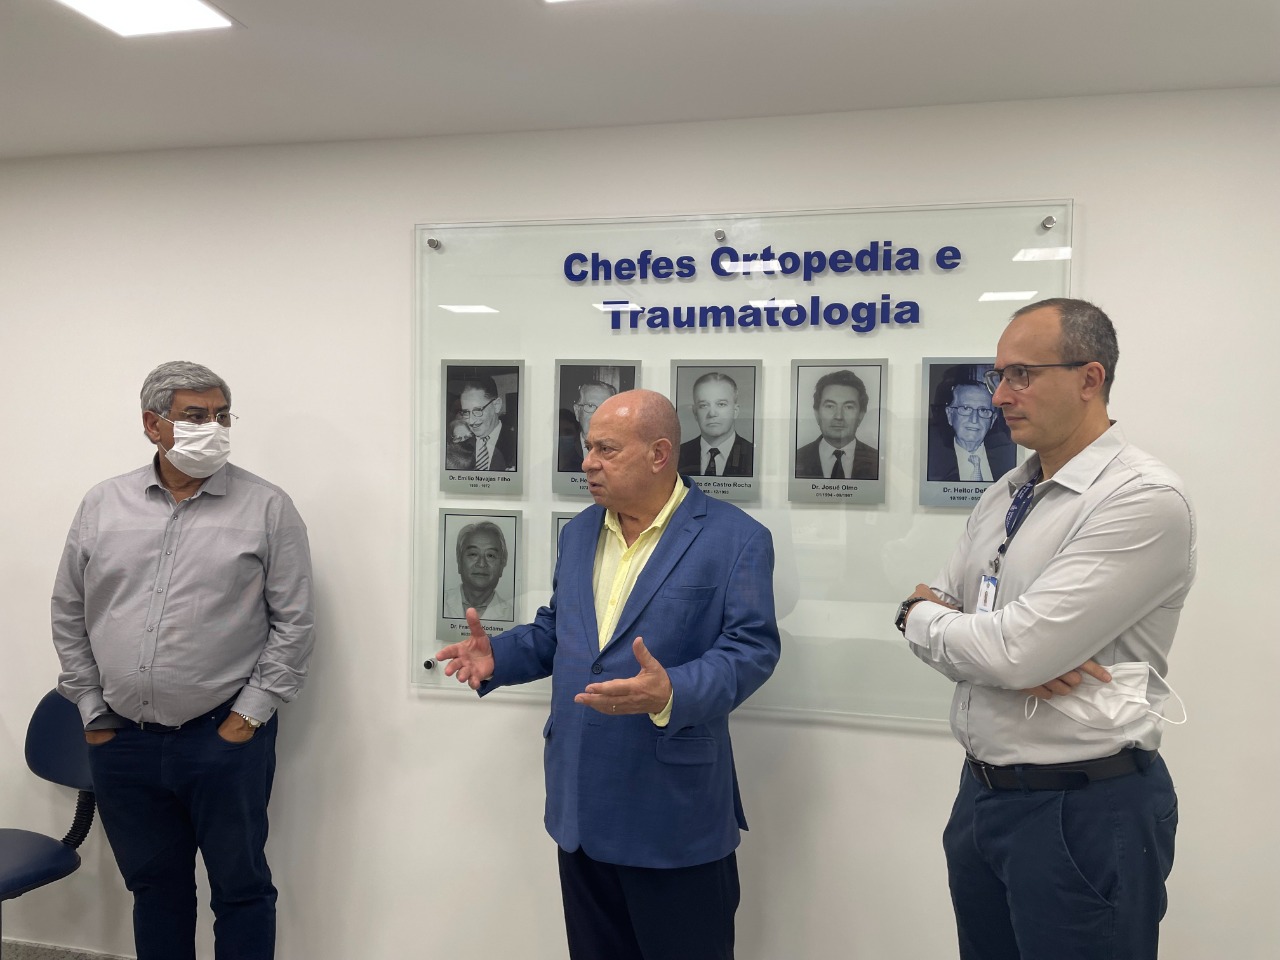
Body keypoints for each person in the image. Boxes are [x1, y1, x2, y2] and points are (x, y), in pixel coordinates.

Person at [896, 298, 1196, 960]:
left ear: (1090, 379)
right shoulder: (1005, 492)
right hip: (982, 799)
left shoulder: (1141, 498)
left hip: (1083, 810)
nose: (1001, 395)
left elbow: (1012, 651)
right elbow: (961, 618)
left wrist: (941, 626)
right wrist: (939, 623)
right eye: (1000, 375)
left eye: (1022, 375)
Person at [437, 389, 780, 960]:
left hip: (673, 816)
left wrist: (672, 690)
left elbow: (752, 650)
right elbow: (560, 629)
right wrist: (500, 655)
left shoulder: (736, 539)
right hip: (581, 808)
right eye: (588, 446)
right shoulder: (579, 533)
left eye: (606, 449)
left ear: (659, 454)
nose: (588, 462)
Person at [50, 361, 315, 960]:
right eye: (195, 416)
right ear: (153, 425)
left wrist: (246, 718)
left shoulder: (267, 507)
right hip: (123, 741)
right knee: (155, 891)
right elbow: (69, 609)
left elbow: (295, 622)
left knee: (241, 890)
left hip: (221, 738)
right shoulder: (103, 503)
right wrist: (92, 709)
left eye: (222, 416)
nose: (213, 428)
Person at [926, 373, 1017, 482]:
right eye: (965, 408)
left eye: (983, 410)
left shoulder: (1009, 457)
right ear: (950, 415)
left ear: (992, 420)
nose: (974, 419)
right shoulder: (930, 460)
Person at [794, 368, 879, 479]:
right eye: (830, 406)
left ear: (861, 415)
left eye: (848, 407)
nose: (839, 416)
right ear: (817, 414)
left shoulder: (877, 460)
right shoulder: (796, 458)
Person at [676, 371, 755, 477]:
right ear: (695, 412)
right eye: (704, 405)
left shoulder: (752, 454)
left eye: (721, 404)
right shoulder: (678, 455)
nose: (712, 413)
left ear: (735, 411)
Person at [442, 520, 514, 620]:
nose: (481, 564)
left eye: (490, 555)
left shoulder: (512, 615)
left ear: (502, 563)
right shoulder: (437, 603)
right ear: (459, 560)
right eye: (473, 554)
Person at [459, 375, 517, 471]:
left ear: (496, 405)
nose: (471, 421)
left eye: (478, 410)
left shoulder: (518, 444)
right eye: (466, 412)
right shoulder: (460, 448)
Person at [558, 379, 616, 472]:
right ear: (577, 412)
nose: (598, 415)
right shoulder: (561, 452)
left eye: (605, 407)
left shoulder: (622, 453)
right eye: (590, 406)